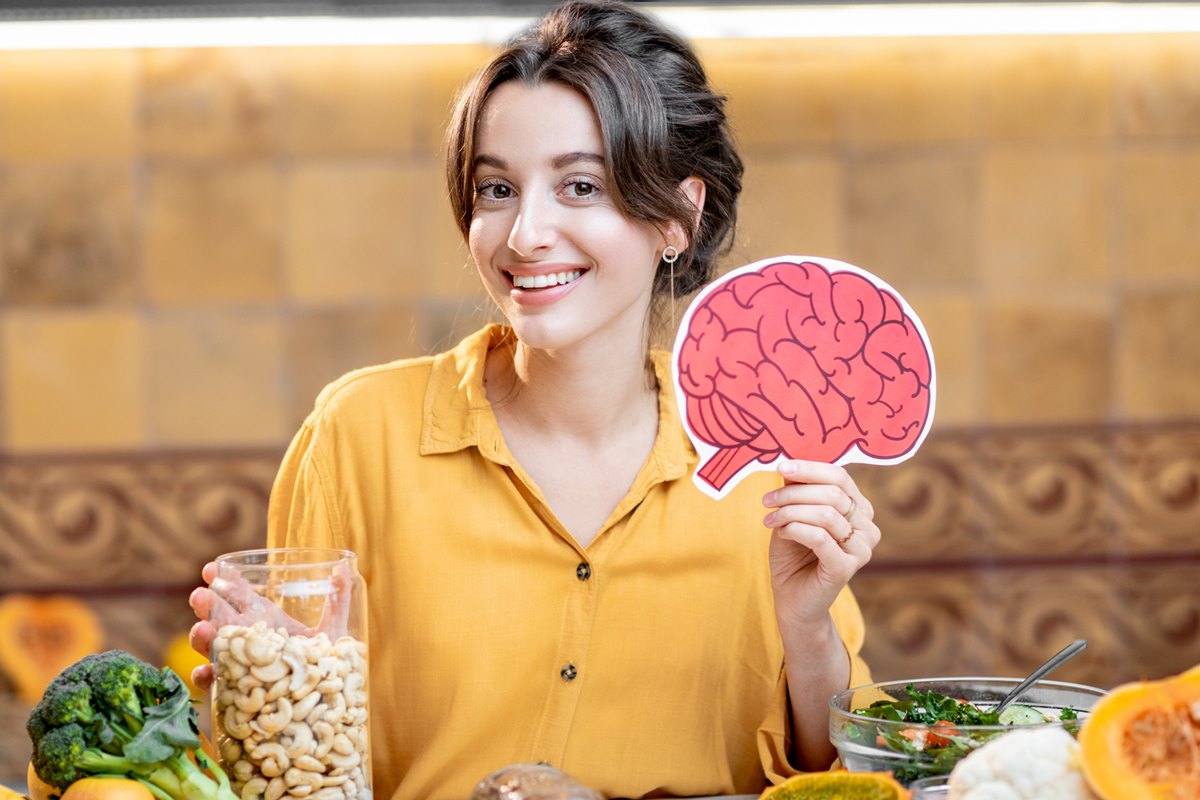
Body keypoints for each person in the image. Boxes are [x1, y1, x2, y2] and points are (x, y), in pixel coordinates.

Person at [188, 1, 881, 798]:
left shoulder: (768, 459)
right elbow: (301, 767)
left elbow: (843, 781)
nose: (525, 234)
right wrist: (276, 691)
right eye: (496, 189)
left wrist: (806, 626)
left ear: (679, 216)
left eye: (580, 185)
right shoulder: (359, 434)